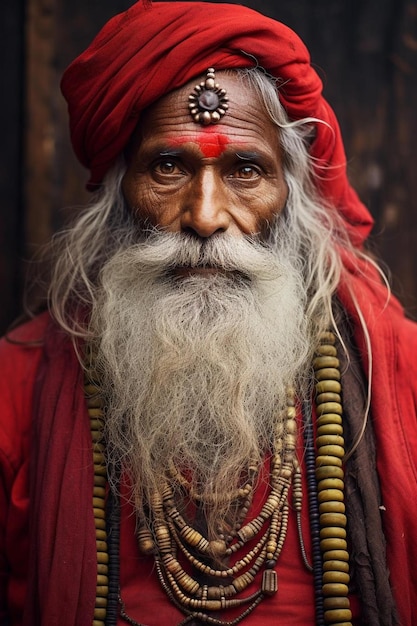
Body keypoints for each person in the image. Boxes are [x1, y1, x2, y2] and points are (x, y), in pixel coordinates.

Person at [1, 1, 416, 625]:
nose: (204, 215)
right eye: (168, 167)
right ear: (120, 193)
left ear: (292, 196)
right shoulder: (16, 384)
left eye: (246, 169)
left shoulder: (402, 370)